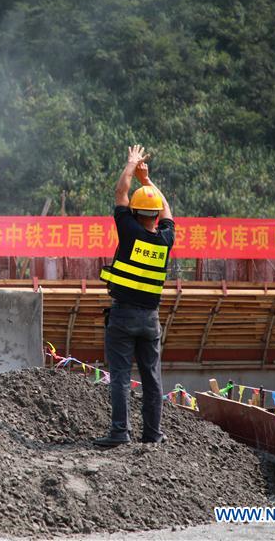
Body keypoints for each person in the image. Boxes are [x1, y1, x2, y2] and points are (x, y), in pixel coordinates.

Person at [94, 144, 174, 447]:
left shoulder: (129, 231)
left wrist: (131, 164)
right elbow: (167, 211)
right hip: (151, 320)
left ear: (135, 212)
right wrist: (147, 180)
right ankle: (152, 434)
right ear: (155, 215)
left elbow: (119, 193)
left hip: (124, 315)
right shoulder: (165, 239)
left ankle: (120, 433)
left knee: (120, 377)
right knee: (152, 378)